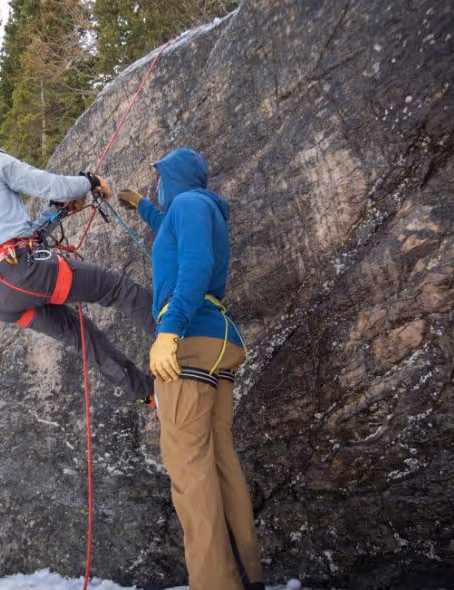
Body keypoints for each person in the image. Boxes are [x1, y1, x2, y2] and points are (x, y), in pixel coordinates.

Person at [117, 148, 265, 590]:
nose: (158, 186)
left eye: (160, 179)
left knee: (188, 469)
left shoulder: (187, 203)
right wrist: (139, 205)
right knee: (219, 462)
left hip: (190, 342)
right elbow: (170, 228)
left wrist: (169, 330)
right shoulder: (195, 208)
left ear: (175, 179)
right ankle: (248, 578)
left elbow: (196, 264)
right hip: (217, 343)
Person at [0, 128, 155, 399]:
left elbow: (8, 239)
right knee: (116, 288)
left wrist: (56, 211)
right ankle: (183, 342)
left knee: (81, 334)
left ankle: (148, 393)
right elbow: (52, 185)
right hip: (20, 272)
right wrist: (88, 181)